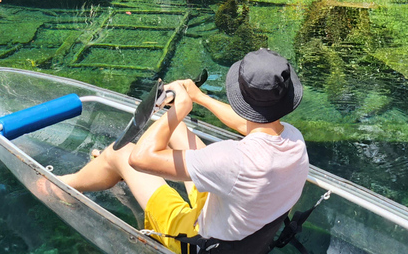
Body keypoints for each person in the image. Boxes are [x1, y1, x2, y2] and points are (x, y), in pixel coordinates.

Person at [60, 48, 309, 253]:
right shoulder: (293, 139)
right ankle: (108, 171)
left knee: (120, 154)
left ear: (239, 98)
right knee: (176, 131)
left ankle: (63, 186)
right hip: (239, 222)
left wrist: (180, 108)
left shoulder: (232, 159)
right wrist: (198, 96)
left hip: (198, 240)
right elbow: (248, 124)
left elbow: (140, 158)